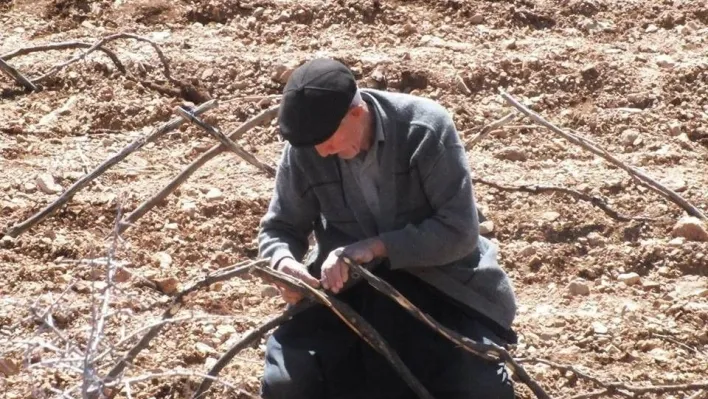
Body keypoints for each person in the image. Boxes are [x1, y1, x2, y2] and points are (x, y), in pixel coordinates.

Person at [257, 57, 518, 399]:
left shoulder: (424, 128)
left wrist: (377, 247)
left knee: (472, 387)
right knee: (289, 383)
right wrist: (283, 264)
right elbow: (279, 229)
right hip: (351, 293)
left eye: (328, 139)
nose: (322, 151)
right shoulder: (307, 147)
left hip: (441, 285)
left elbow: (459, 232)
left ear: (356, 111)